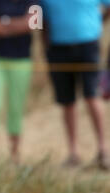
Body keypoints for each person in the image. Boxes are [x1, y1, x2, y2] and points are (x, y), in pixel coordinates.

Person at [41, 0, 110, 170]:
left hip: (88, 45)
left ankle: (103, 150)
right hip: (57, 48)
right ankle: (73, 153)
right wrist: (45, 46)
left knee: (92, 96)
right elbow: (40, 17)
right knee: (67, 101)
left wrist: (98, 23)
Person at [0, 0, 39, 166]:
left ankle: (14, 154)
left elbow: (32, 23)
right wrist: (16, 26)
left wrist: (3, 25)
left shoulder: (34, 1)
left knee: (16, 107)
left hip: (20, 60)